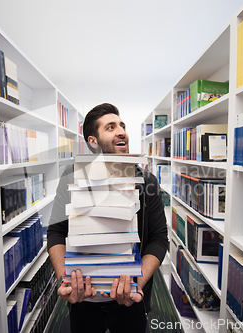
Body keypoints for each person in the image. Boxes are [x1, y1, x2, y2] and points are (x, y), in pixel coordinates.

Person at [47, 103, 169, 333]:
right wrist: (66, 279)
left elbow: (159, 239)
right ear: (93, 140)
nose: (121, 131)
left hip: (130, 302)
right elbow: (55, 233)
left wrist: (137, 284)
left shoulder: (147, 182)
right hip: (83, 301)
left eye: (122, 125)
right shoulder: (71, 178)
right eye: (110, 127)